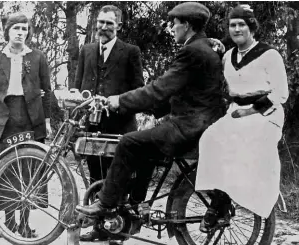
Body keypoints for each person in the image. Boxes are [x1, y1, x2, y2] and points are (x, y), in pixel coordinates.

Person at [76, 2, 226, 222]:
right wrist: (150, 109)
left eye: (174, 24)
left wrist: (120, 100)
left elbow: (160, 89)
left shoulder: (192, 51)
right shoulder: (206, 47)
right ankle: (136, 207)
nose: (171, 28)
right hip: (199, 123)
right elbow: (177, 93)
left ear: (186, 25)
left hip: (187, 126)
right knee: (144, 148)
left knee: (129, 142)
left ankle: (106, 203)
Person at [195, 5, 289, 233]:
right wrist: (211, 47)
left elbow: (281, 94)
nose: (236, 29)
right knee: (209, 139)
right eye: (232, 25)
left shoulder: (269, 55)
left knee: (242, 141)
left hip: (265, 114)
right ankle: (221, 200)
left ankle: (225, 203)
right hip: (236, 112)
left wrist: (250, 111)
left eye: (241, 25)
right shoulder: (228, 56)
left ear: (251, 28)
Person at [72, 5, 146, 242]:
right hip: (93, 128)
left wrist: (116, 104)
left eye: (109, 23)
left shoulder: (130, 52)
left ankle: (118, 231)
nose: (103, 27)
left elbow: (139, 91)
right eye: (101, 22)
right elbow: (78, 86)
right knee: (96, 178)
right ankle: (99, 229)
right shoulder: (86, 50)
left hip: (120, 128)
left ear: (119, 26)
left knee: (120, 179)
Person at [0, 13, 52, 238]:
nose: (21, 32)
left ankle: (24, 224)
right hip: (5, 119)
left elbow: (47, 91)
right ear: (7, 31)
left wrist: (47, 121)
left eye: (24, 28)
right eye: (16, 28)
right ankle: (7, 224)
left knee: (28, 170)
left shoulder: (38, 57)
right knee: (5, 170)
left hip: (31, 118)